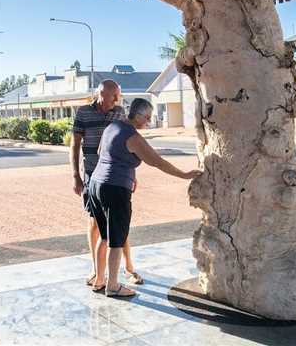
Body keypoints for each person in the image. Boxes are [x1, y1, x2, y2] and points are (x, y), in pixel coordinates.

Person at [88, 98, 200, 298]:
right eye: (147, 118)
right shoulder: (133, 137)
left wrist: (130, 173)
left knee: (104, 236)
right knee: (116, 239)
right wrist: (184, 175)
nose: (148, 122)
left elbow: (102, 152)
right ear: (137, 115)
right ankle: (112, 286)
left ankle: (99, 279)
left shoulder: (112, 126)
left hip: (96, 185)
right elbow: (157, 162)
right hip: (115, 189)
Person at [70, 80, 137, 287]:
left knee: (119, 223)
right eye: (113, 95)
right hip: (92, 175)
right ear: (100, 94)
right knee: (95, 224)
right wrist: (76, 175)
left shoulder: (119, 112)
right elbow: (75, 144)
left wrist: (132, 174)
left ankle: (129, 267)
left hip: (117, 175)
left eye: (118, 95)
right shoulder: (83, 112)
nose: (117, 100)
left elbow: (129, 145)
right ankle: (96, 269)